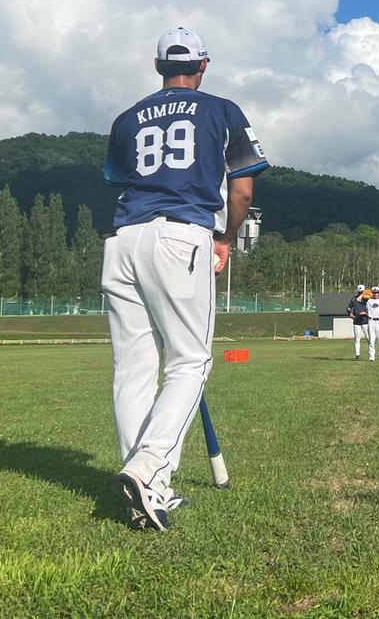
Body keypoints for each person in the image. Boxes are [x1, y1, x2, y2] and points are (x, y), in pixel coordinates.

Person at [101, 26, 269, 531]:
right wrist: (227, 238)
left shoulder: (126, 118)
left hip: (123, 240)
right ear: (203, 65)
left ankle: (147, 487)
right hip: (181, 237)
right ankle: (150, 469)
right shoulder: (222, 110)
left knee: (133, 368)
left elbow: (121, 178)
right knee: (191, 362)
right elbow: (241, 188)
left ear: (157, 67)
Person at [348, 284, 370, 359]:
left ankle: (371, 354)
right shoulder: (353, 299)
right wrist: (351, 315)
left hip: (365, 320)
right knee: (357, 338)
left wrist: (366, 313)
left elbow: (371, 309)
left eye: (362, 292)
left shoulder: (367, 299)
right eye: (360, 292)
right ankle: (357, 355)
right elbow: (348, 308)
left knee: (368, 338)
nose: (361, 293)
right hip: (356, 321)